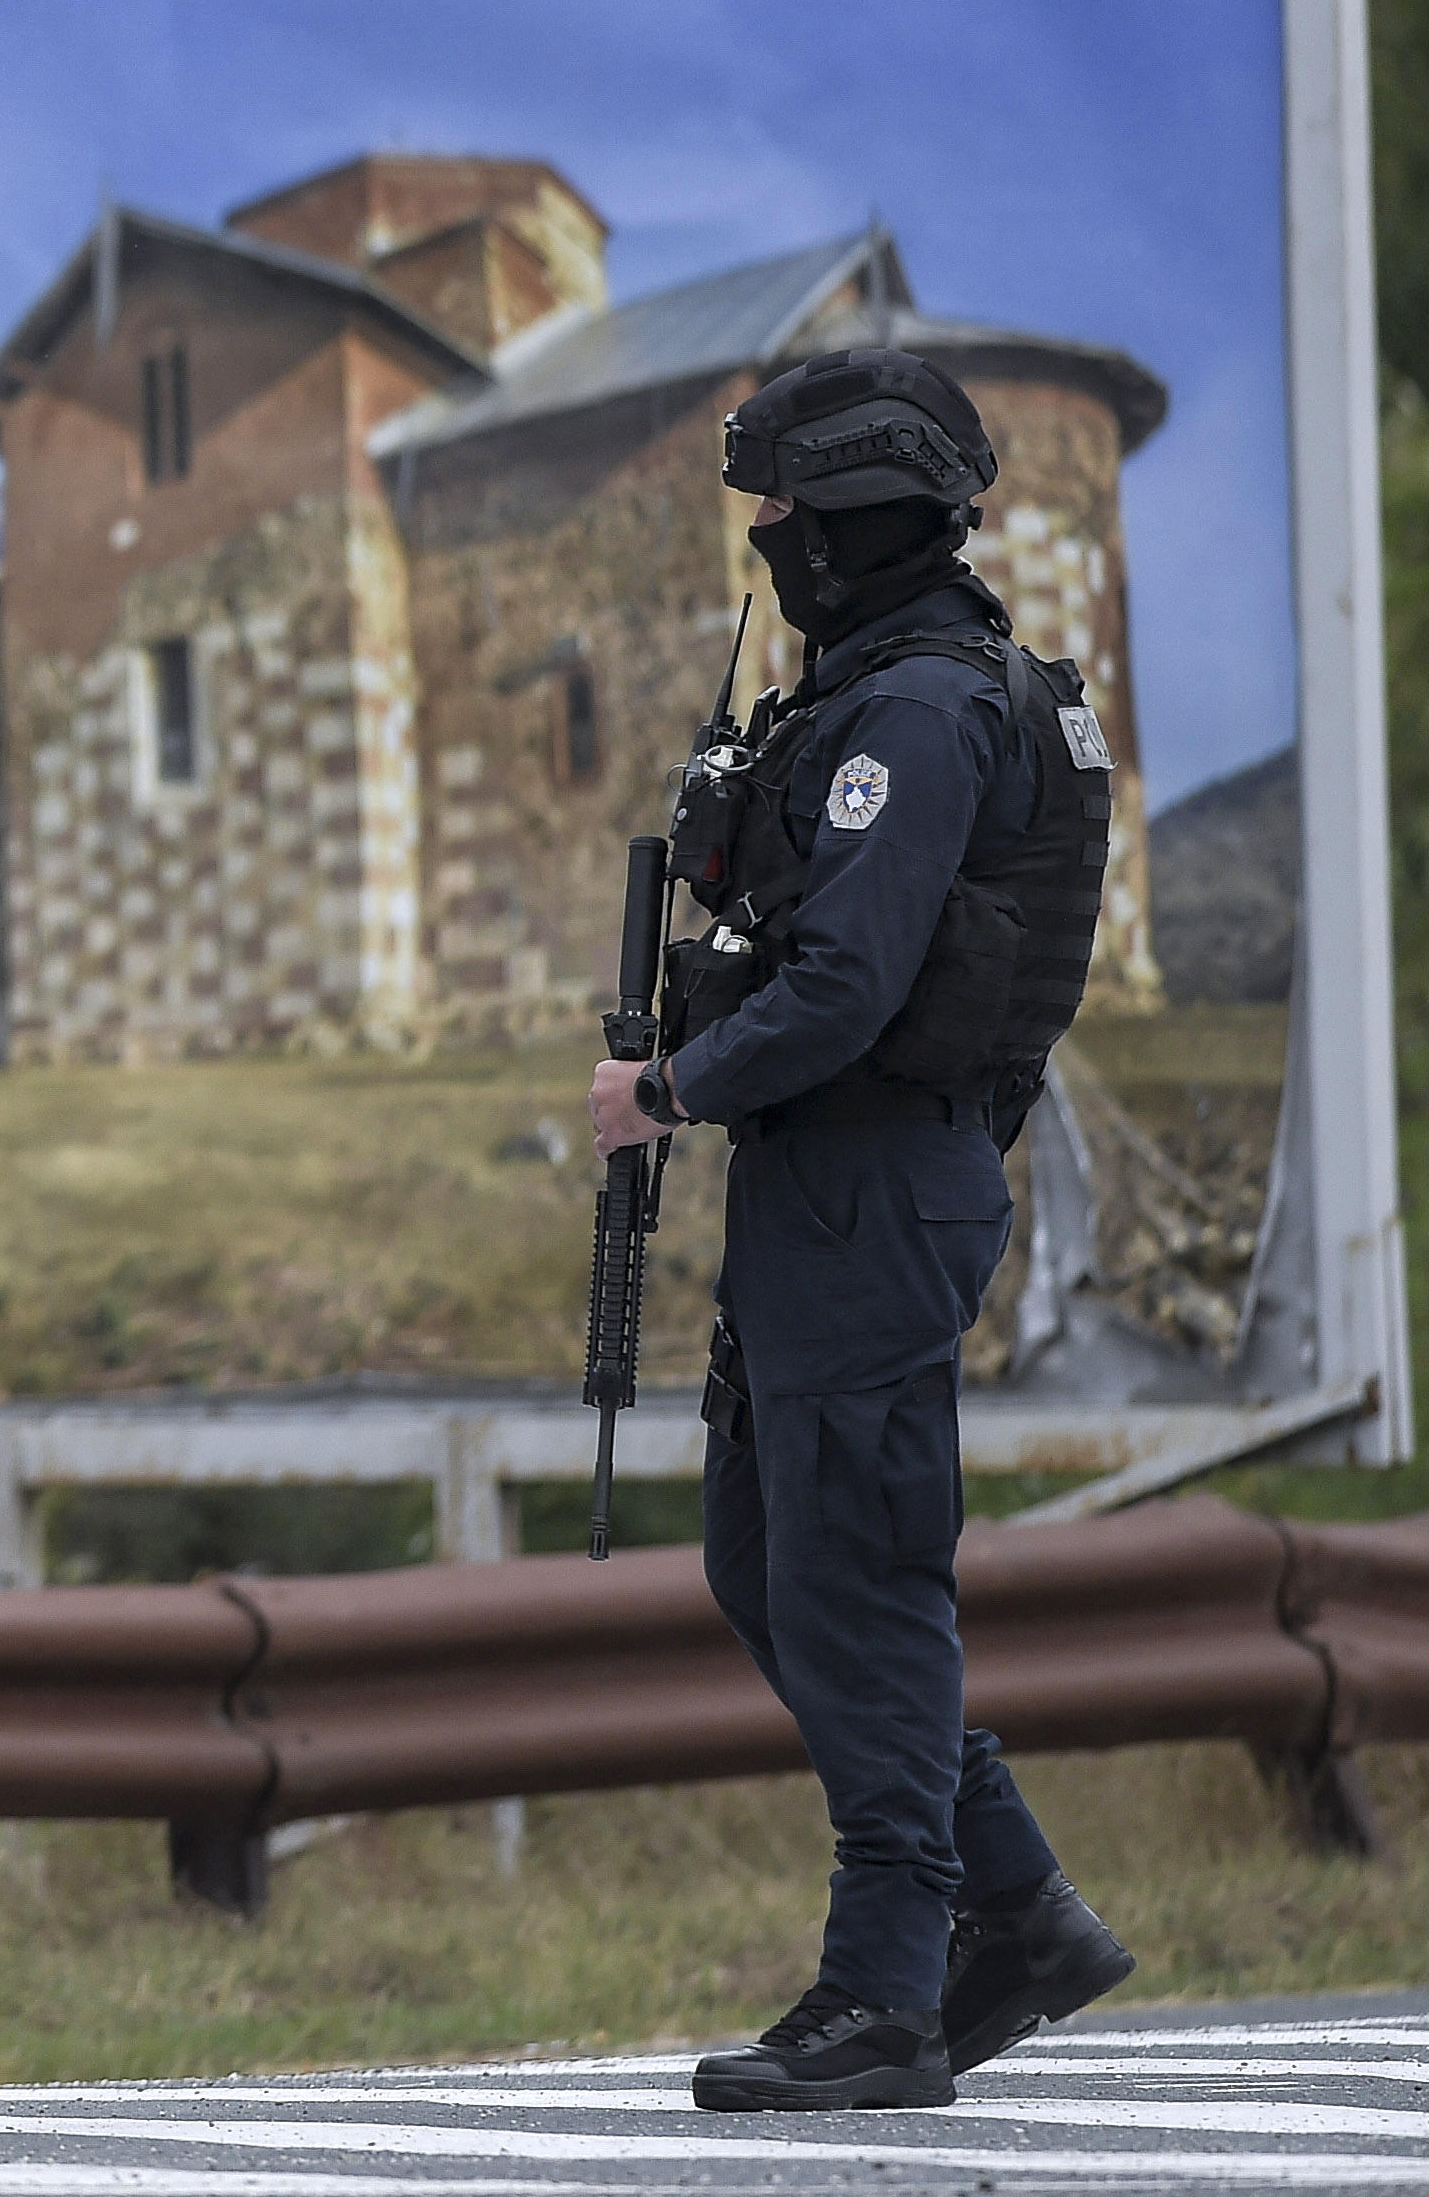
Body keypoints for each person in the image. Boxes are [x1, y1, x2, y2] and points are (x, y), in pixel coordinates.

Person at [589, 347, 1141, 2113]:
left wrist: (671, 1089)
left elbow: (845, 984)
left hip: (876, 1181)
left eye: (780, 515)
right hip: (842, 1189)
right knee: (771, 1568)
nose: (766, 545)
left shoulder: (914, 714)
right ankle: (1022, 1914)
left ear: (848, 522)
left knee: (859, 1577)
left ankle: (889, 1991)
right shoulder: (892, 692)